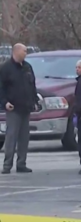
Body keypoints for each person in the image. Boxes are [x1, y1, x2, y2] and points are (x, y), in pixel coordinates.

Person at [0, 43, 38, 174]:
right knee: (11, 136)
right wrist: (4, 102)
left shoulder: (27, 67)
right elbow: (1, 88)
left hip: (26, 107)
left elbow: (32, 85)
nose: (26, 53)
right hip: (13, 108)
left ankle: (21, 163)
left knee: (24, 137)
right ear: (16, 52)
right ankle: (7, 165)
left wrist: (35, 101)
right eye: (24, 51)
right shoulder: (5, 68)